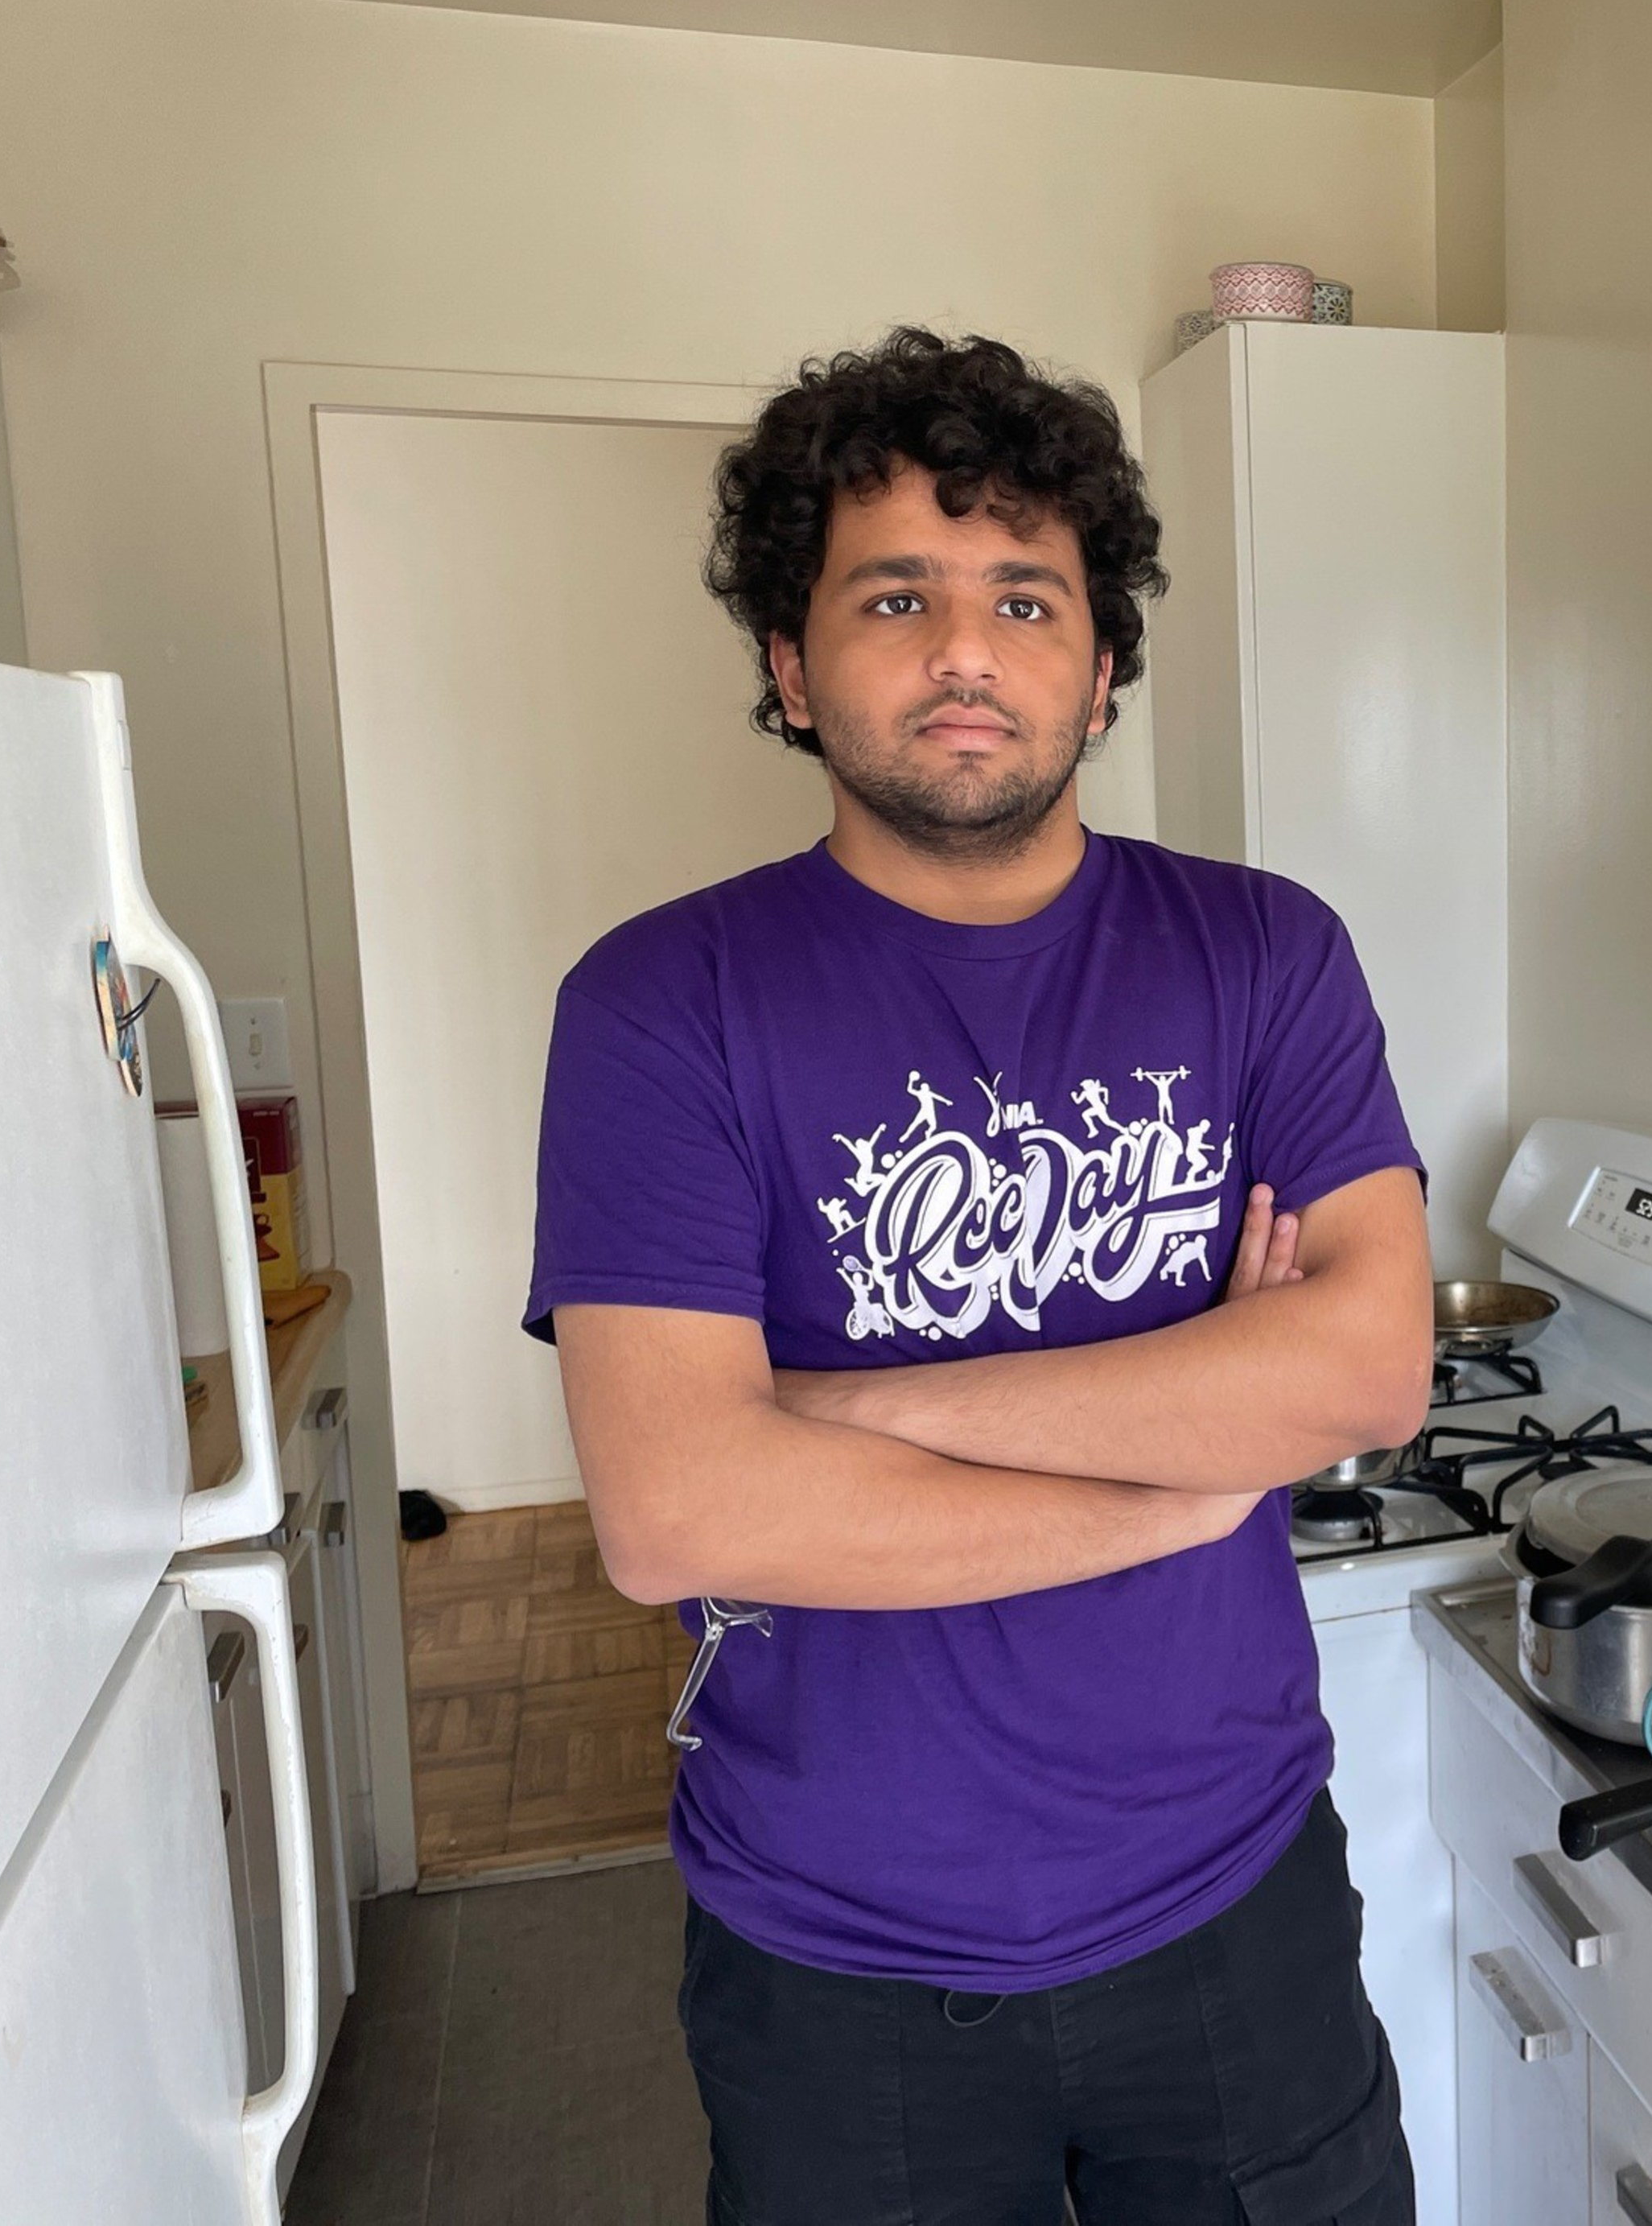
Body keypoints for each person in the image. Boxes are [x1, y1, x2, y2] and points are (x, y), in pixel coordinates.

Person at [524, 326, 1435, 2225]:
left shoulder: (1265, 954)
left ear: (1099, 673)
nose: (963, 648)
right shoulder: (659, 1003)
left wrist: (832, 1421)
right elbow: (678, 1507)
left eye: (1026, 596)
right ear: (790, 664)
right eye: (893, 595)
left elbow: (1361, 1376)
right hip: (837, 1966)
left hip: (1235, 1913)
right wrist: (1188, 1465)